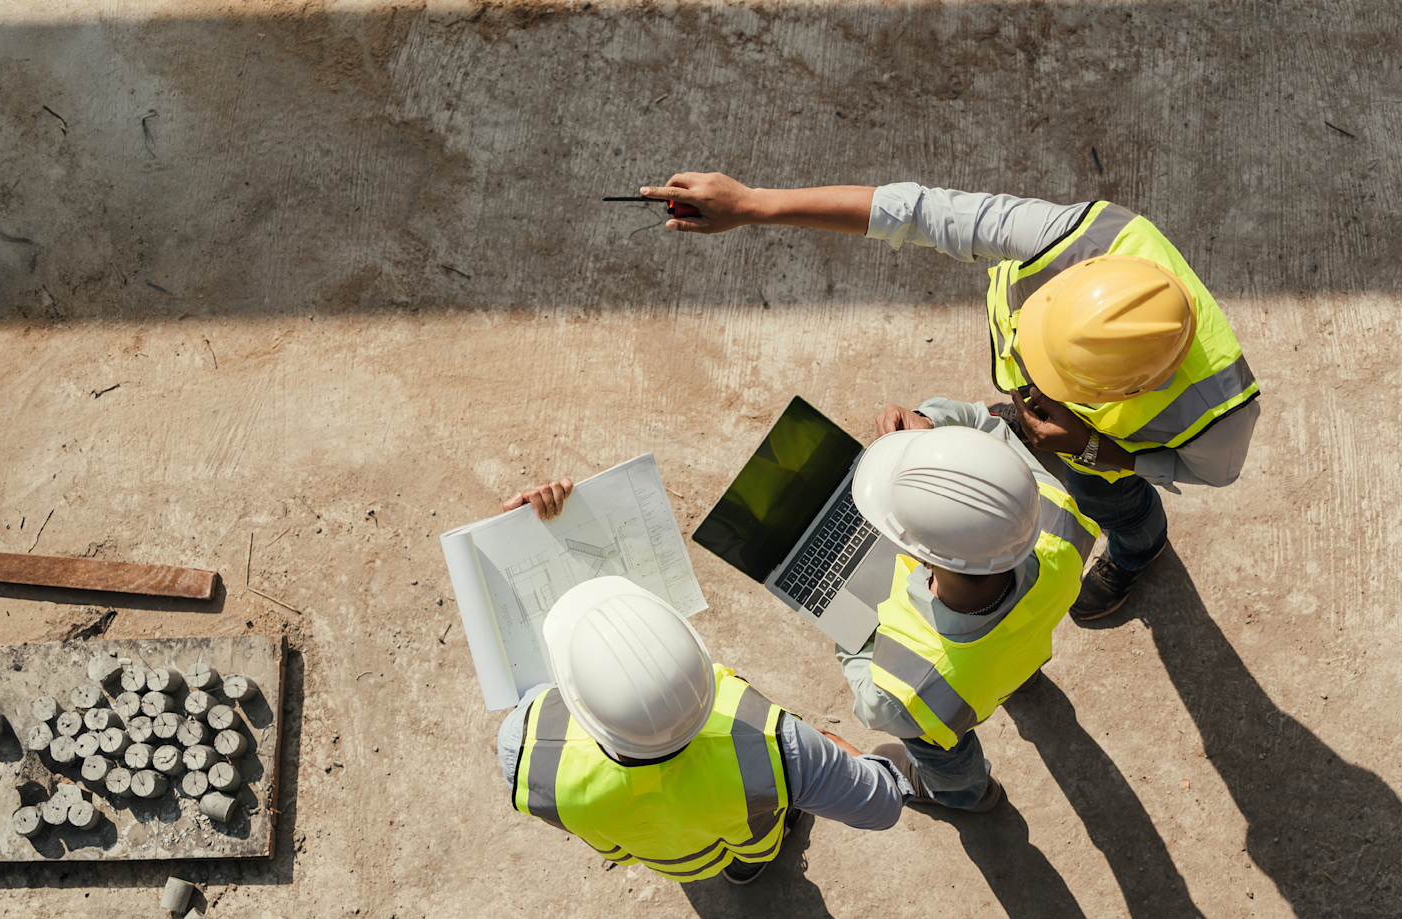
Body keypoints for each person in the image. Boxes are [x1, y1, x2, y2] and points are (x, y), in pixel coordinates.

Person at [638, 174, 1260, 620]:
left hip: (1102, 456)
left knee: (1116, 506)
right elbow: (917, 211)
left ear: (1130, 387)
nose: (1027, 383)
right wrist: (754, 204)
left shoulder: (1220, 418)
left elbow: (1208, 474)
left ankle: (1139, 549)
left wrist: (1097, 451)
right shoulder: (1076, 237)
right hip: (1075, 433)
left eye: (1052, 380)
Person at [494, 484, 912, 884]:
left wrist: (525, 537)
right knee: (754, 846)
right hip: (749, 838)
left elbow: (534, 680)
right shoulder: (779, 746)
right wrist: (822, 746)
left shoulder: (524, 749)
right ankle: (748, 867)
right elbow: (882, 804)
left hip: (664, 856)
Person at [835, 398, 1100, 810]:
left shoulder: (908, 690)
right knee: (1008, 662)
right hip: (1014, 652)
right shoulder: (1056, 519)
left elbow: (873, 706)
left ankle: (967, 794)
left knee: (940, 750)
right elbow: (988, 430)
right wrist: (932, 431)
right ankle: (1020, 682)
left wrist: (848, 635)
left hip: (951, 701)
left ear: (918, 556)